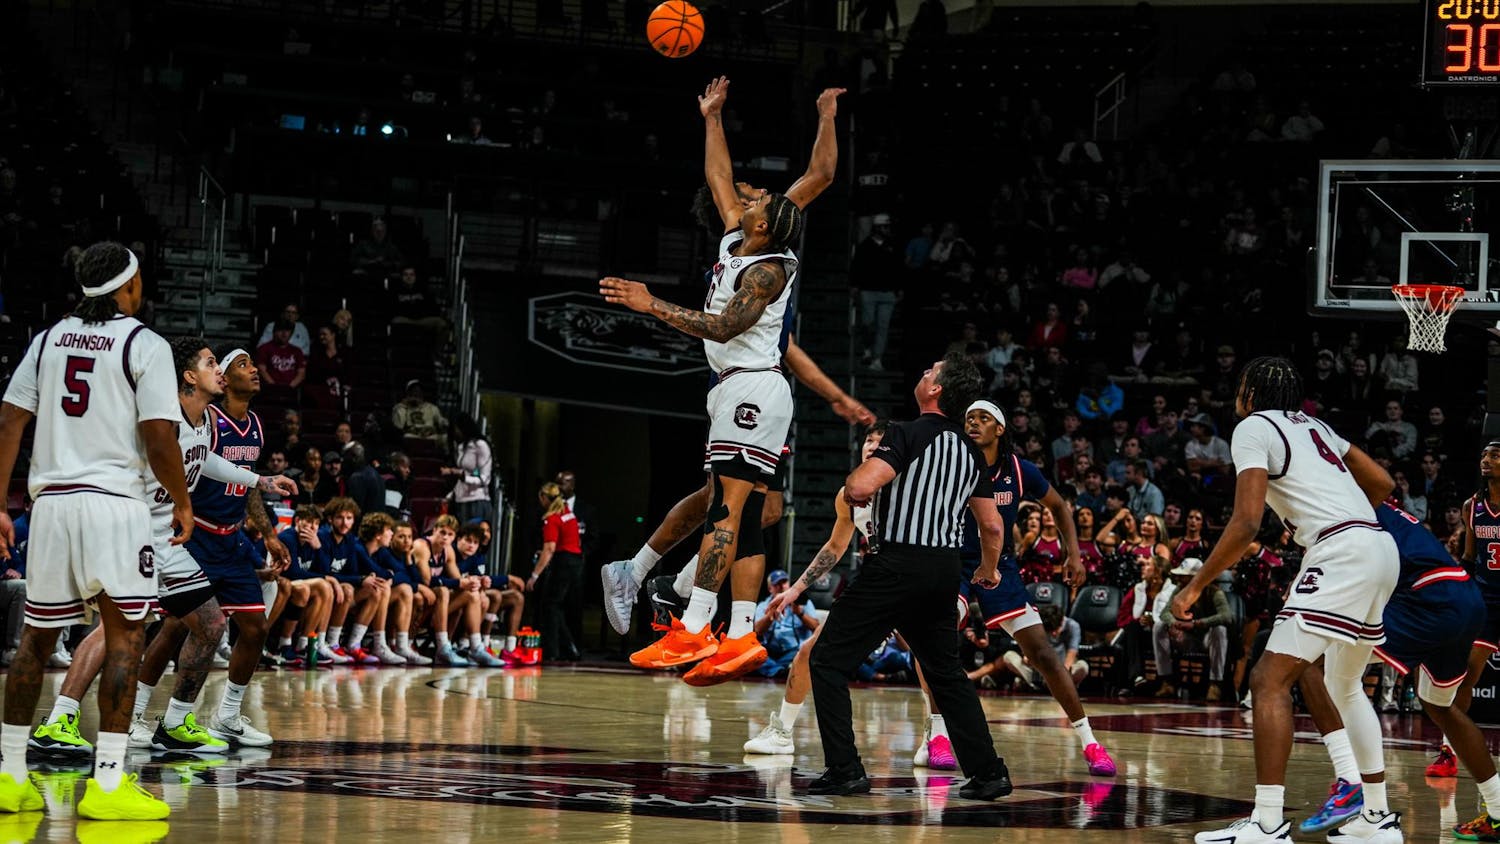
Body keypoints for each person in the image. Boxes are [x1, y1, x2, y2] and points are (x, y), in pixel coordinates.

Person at [599, 76, 808, 685]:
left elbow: (722, 327)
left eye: (760, 202)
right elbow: (720, 178)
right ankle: (738, 634)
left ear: (766, 226)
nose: (751, 196)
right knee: (744, 513)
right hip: (741, 387)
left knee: (725, 510)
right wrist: (712, 117)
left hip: (751, 386)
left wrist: (651, 303)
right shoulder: (741, 238)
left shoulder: (767, 270)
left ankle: (693, 621)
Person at [1175, 357, 1401, 844]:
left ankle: (1268, 822)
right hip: (1381, 547)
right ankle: (1377, 819)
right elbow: (1383, 484)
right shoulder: (1316, 426)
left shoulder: (1253, 427)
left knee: (1267, 678)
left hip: (1341, 550)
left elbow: (1245, 523)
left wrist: (1194, 586)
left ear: (1251, 394)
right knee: (1340, 683)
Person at [33, 340, 297, 757]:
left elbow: (204, 459)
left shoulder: (206, 422)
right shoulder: (161, 417)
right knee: (117, 628)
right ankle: (58, 721)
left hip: (167, 540)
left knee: (209, 625)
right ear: (190, 377)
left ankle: (174, 723)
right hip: (131, 532)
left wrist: (259, 481)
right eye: (212, 363)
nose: (220, 370)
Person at [0, 241, 186, 819]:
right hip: (114, 504)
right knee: (127, 637)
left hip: (51, 503)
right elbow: (159, 437)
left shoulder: (49, 338)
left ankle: (8, 776)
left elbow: (10, 419)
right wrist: (181, 500)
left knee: (35, 639)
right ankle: (107, 784)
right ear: (127, 288)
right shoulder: (145, 344)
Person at [803, 354, 1014, 800]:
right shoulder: (972, 452)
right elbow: (992, 526)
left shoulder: (904, 432)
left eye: (929, 371)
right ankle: (989, 772)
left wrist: (862, 473)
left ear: (936, 390)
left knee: (827, 661)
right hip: (943, 571)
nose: (923, 373)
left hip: (897, 563)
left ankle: (845, 769)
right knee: (946, 673)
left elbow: (860, 488)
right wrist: (988, 569)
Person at [958, 399, 1116, 775]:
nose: (973, 423)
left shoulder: (1019, 469)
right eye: (968, 418)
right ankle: (938, 735)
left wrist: (1073, 554)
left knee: (1044, 654)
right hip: (956, 562)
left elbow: (1060, 506)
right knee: (940, 638)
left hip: (1001, 564)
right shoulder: (955, 465)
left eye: (983, 418)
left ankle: (1090, 741)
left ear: (1000, 429)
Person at [181, 346, 291, 747]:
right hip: (197, 536)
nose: (255, 371)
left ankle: (227, 716)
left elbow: (247, 487)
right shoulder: (208, 419)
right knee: (176, 629)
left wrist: (270, 534)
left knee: (256, 627)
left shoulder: (257, 426)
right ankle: (143, 715)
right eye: (244, 365)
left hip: (231, 539)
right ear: (224, 378)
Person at [1427, 440, 1500, 781]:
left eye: (1496, 455)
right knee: (1467, 675)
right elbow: (1470, 558)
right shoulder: (1473, 506)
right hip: (1486, 600)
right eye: (1484, 454)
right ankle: (1448, 751)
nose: (1487, 460)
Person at [1153, 558, 1231, 700]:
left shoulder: (1214, 592)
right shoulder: (1179, 590)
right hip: (1185, 638)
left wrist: (1197, 623)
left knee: (1220, 630)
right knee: (1159, 627)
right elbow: (1165, 613)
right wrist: (1174, 624)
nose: (1179, 579)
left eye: (1183, 576)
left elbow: (1227, 616)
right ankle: (1167, 682)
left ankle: (1215, 685)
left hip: (1207, 640)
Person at [528, 482, 583, 662]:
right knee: (556, 606)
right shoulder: (568, 513)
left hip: (563, 562)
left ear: (544, 498)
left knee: (550, 606)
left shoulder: (552, 519)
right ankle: (569, 647)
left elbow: (549, 549)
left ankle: (552, 651)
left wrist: (534, 576)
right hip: (575, 561)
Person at [444, 413, 492, 525]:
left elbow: (484, 479)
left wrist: (464, 477)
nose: (455, 432)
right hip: (461, 500)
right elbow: (466, 472)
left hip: (477, 500)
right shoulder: (461, 447)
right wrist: (451, 494)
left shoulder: (481, 445)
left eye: (457, 429)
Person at [392, 380, 447, 445]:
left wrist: (445, 424)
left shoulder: (432, 407)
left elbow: (441, 422)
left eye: (419, 390)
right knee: (407, 437)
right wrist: (405, 406)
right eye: (413, 390)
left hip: (430, 436)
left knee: (446, 438)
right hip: (412, 436)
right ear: (408, 393)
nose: (417, 392)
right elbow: (398, 426)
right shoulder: (400, 407)